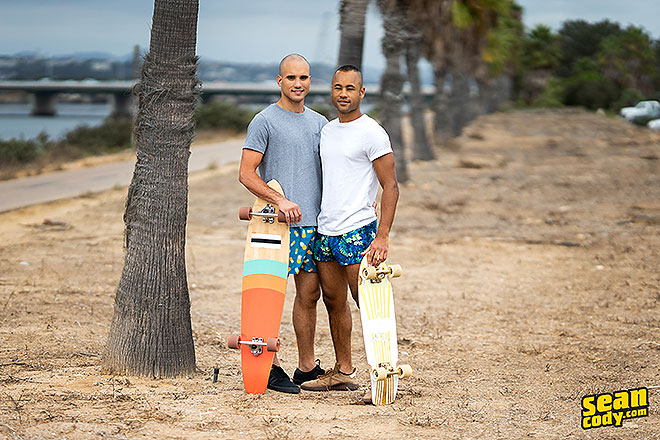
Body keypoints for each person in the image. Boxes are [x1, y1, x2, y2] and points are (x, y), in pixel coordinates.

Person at [300, 64, 399, 392]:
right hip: (326, 231)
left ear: (362, 92)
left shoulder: (372, 132)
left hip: (358, 230)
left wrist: (382, 235)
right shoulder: (327, 131)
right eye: (338, 87)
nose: (343, 94)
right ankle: (344, 370)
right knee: (333, 300)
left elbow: (391, 186)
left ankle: (382, 378)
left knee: (369, 304)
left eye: (350, 88)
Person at [238, 53, 328, 394]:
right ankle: (270, 367)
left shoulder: (320, 123)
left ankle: (306, 368)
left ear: (310, 81)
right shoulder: (264, 121)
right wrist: (280, 200)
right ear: (280, 81)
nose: (297, 84)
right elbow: (246, 173)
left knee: (310, 294)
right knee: (269, 296)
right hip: (276, 226)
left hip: (313, 225)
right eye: (291, 78)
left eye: (303, 78)